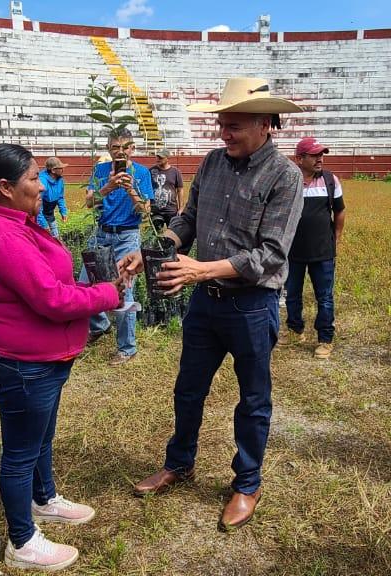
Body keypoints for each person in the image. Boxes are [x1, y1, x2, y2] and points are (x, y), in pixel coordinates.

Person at [121, 78, 304, 531]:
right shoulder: (212, 163)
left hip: (252, 306)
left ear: (265, 124)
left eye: (234, 125)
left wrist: (200, 269)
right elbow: (187, 218)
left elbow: (270, 255)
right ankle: (179, 463)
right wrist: (156, 249)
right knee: (188, 390)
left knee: (253, 400)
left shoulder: (285, 177)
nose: (224, 134)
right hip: (207, 303)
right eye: (222, 124)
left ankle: (247, 483)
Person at [0, 144, 123, 572]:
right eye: (34, 177)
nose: (42, 183)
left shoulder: (16, 222)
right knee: (19, 454)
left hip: (41, 360)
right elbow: (50, 299)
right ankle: (23, 541)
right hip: (22, 364)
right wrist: (107, 293)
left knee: (40, 438)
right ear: (6, 187)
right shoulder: (1, 235)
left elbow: (49, 281)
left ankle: (43, 498)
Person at [79, 128, 154, 366]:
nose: (119, 153)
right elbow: (90, 203)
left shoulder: (141, 173)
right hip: (102, 233)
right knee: (85, 283)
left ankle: (127, 347)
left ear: (132, 148)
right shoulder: (100, 171)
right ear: (108, 149)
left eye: (125, 147)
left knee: (124, 291)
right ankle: (99, 324)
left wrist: (130, 189)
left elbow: (145, 211)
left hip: (127, 237)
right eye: (114, 148)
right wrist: (109, 186)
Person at [280, 137, 346, 359]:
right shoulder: (289, 181)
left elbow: (339, 211)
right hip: (293, 252)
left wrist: (335, 238)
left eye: (322, 154)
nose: (320, 159)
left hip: (323, 253)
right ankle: (295, 330)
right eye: (315, 155)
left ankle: (325, 339)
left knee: (325, 297)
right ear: (300, 159)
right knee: (292, 295)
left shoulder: (330, 180)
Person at [150, 148, 184, 229]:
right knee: (156, 237)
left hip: (171, 210)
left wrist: (181, 207)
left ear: (168, 158)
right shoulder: (151, 171)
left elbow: (180, 190)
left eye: (161, 157)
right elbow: (147, 189)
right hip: (155, 210)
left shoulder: (175, 172)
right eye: (157, 157)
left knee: (172, 235)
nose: (158, 159)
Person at [37, 156, 69, 238]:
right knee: (44, 238)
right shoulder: (42, 181)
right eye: (60, 168)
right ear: (53, 170)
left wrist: (63, 211)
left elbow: (60, 197)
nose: (63, 170)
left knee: (56, 237)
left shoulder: (59, 180)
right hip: (40, 215)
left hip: (49, 213)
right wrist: (43, 224)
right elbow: (37, 204)